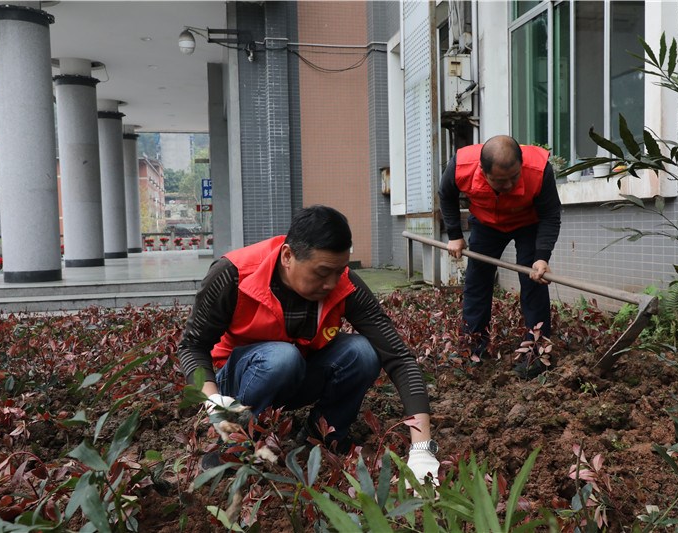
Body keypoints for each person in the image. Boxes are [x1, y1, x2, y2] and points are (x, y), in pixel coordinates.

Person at [177, 205, 440, 484]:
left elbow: (398, 357)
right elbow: (192, 346)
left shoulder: (344, 284)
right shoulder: (233, 274)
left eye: (340, 271)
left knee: (363, 352)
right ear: (287, 256)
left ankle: (323, 437)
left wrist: (422, 449)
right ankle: (235, 445)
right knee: (282, 358)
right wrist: (213, 402)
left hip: (295, 373)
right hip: (237, 385)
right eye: (322, 272)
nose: (332, 283)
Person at [438, 135, 561, 378]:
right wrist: (454, 235)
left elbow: (550, 214)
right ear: (482, 170)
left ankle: (536, 354)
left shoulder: (539, 169)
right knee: (477, 283)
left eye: (514, 177)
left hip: (528, 222)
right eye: (500, 181)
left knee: (534, 282)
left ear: (521, 164)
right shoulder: (461, 166)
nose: (509, 185)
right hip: (486, 223)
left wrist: (541, 257)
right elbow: (446, 194)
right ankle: (472, 349)